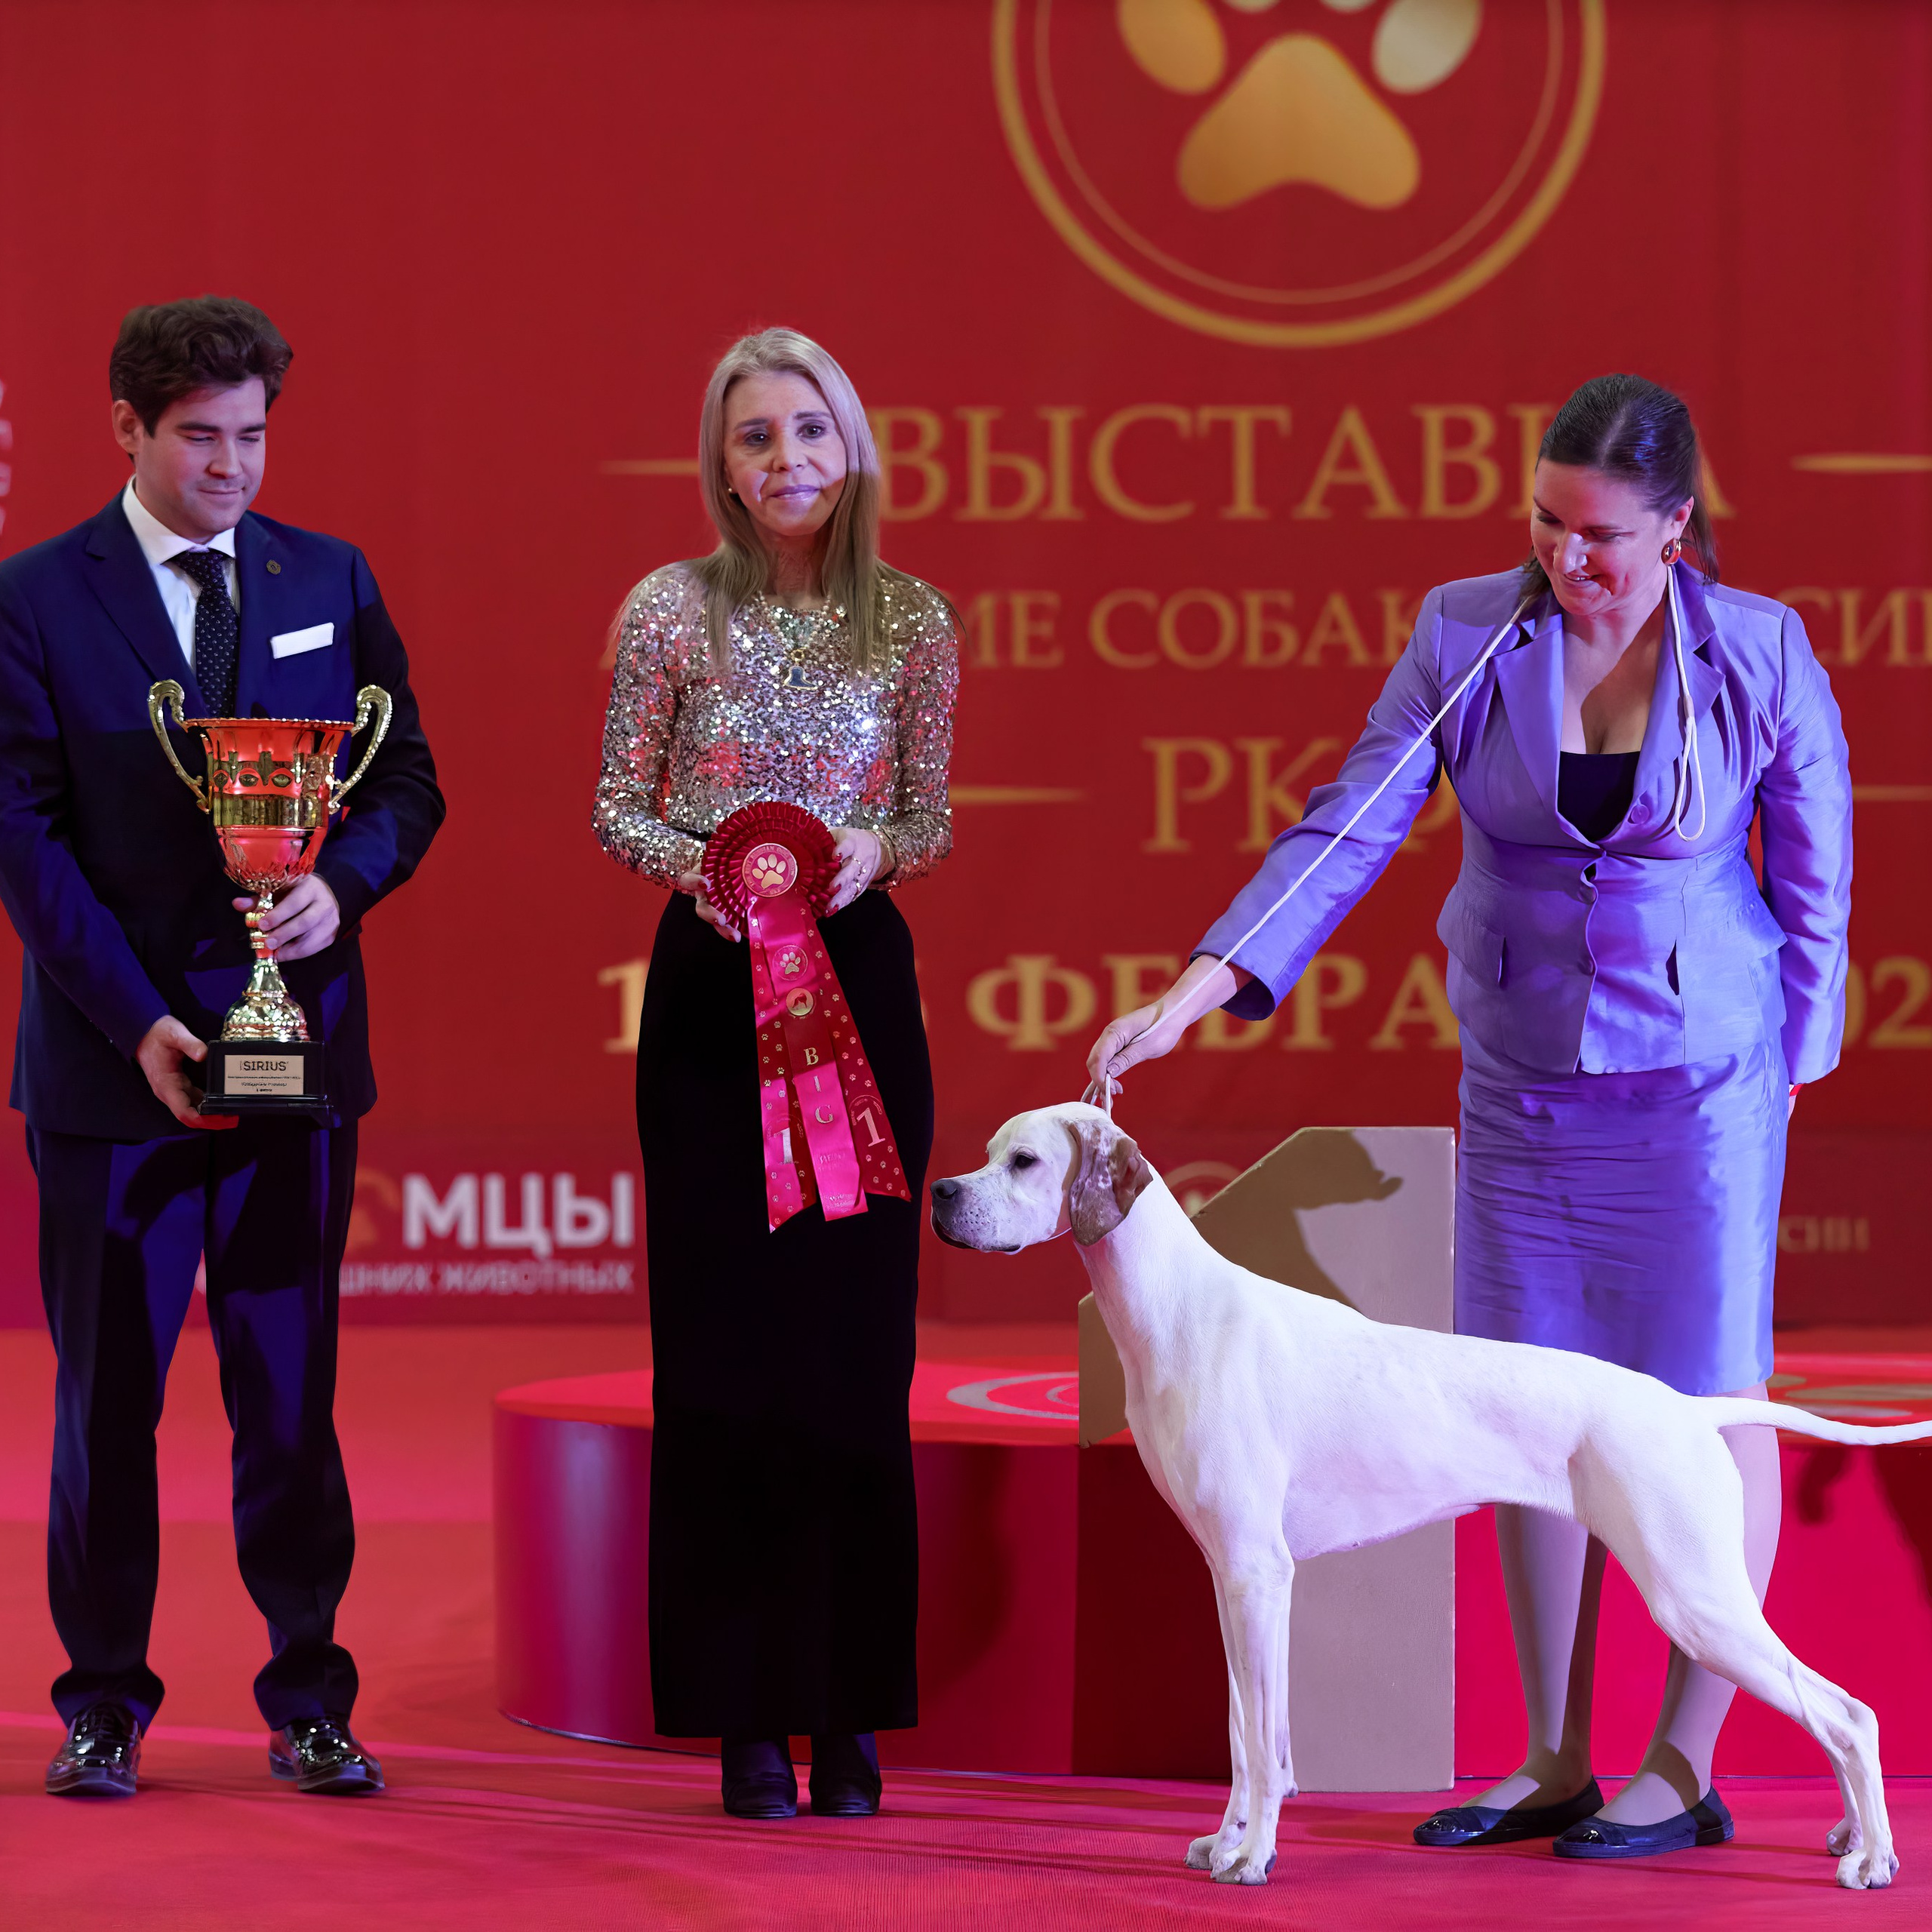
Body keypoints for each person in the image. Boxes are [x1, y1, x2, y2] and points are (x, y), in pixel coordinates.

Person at [1087, 374, 1850, 1863]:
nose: (1572, 562)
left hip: (1700, 1090)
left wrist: (1790, 1062)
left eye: (1608, 538)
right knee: (1517, 1393)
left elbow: (1812, 870)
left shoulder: (1756, 649)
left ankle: (1683, 1763)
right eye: (1548, 525)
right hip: (1519, 1079)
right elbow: (1352, 819)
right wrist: (1196, 987)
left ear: (1677, 528)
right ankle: (1554, 1751)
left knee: (1697, 1401)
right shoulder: (1462, 631)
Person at [0, 297, 444, 1798]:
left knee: (288, 1386)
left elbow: (410, 783)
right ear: (126, 428)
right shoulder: (35, 596)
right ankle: (103, 1700)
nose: (232, 465)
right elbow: (24, 838)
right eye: (200, 437)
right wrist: (139, 1021)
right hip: (109, 1067)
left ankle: (310, 1693)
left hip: (293, 1050)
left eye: (253, 435)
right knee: (105, 1397)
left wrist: (344, 881)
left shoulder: (328, 576)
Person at [593, 326, 959, 1820]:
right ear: (722, 464)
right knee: (727, 1353)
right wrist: (713, 876)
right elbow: (617, 803)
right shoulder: (671, 610)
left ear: (853, 444)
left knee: (853, 1356)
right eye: (755, 437)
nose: (786, 457)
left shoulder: (913, 619)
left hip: (858, 985)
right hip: (705, 992)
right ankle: (745, 1708)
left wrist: (871, 850)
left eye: (809, 429)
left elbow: (928, 809)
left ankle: (850, 1708)